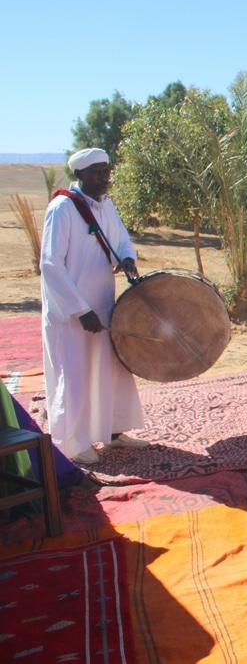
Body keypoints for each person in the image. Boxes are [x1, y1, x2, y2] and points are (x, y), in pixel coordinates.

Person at [40, 148, 148, 465]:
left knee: (110, 368)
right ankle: (72, 444)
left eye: (106, 171)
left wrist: (127, 257)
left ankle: (114, 432)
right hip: (71, 314)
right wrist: (79, 308)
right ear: (80, 175)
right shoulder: (62, 208)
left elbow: (121, 239)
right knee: (74, 374)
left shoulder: (105, 205)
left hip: (102, 304)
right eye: (97, 173)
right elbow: (50, 264)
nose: (104, 178)